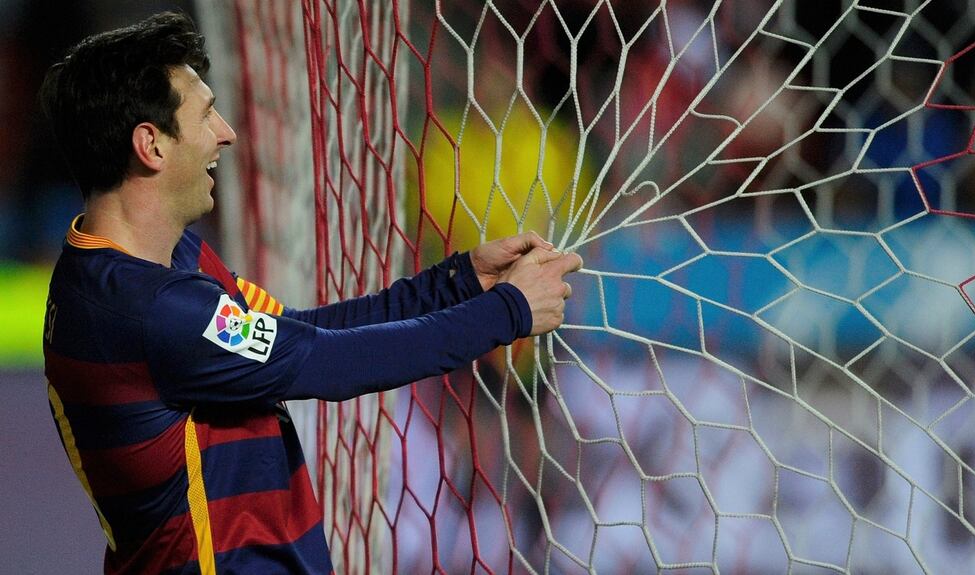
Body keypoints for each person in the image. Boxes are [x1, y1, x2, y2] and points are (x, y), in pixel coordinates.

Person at [39, 11, 581, 575]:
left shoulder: (147, 265)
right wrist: (507, 312)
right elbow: (326, 361)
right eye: (204, 115)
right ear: (150, 145)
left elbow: (303, 334)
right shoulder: (153, 312)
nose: (225, 131)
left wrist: (457, 284)